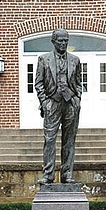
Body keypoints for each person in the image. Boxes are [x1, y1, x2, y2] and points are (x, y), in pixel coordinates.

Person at [35, 29, 82, 184]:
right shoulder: (44, 59)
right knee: (49, 139)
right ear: (53, 41)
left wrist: (77, 100)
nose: (63, 43)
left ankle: (67, 174)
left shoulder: (75, 60)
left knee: (69, 140)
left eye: (65, 41)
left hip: (70, 104)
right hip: (52, 104)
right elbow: (39, 83)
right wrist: (45, 103)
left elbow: (78, 83)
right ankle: (48, 175)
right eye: (60, 41)